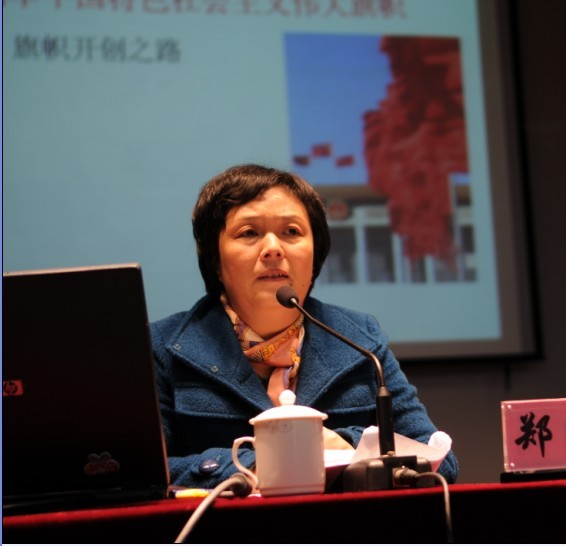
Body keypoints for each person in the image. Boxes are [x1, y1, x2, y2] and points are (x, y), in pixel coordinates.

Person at [151, 164, 458, 488]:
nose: (273, 248)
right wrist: (250, 464)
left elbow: (440, 463)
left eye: (291, 232)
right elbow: (143, 473)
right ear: (215, 259)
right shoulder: (163, 348)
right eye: (249, 233)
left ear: (316, 253)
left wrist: (349, 447)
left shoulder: (362, 340)